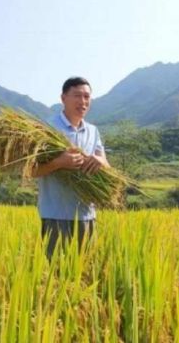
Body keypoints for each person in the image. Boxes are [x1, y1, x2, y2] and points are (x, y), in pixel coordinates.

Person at [32, 77, 110, 258]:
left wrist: (100, 162)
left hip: (86, 215)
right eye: (77, 95)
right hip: (56, 216)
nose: (83, 101)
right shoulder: (46, 129)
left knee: (84, 273)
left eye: (87, 97)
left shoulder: (93, 131)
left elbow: (106, 163)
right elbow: (31, 171)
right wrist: (59, 162)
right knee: (57, 276)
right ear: (63, 98)